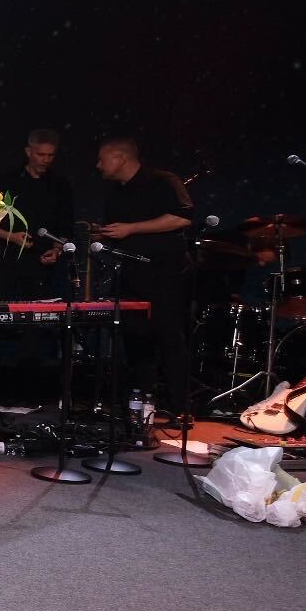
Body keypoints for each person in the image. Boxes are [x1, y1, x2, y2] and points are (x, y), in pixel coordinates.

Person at [93, 136, 193, 421]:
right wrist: (103, 234)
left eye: (102, 159)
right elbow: (121, 232)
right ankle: (142, 402)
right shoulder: (115, 192)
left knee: (170, 337)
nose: (98, 165)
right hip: (130, 274)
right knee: (135, 339)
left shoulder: (163, 181)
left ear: (120, 158)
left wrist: (131, 228)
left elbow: (182, 217)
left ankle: (181, 407)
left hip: (165, 274)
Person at [0, 129, 74, 300]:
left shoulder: (60, 186)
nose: (46, 160)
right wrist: (11, 237)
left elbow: (65, 226)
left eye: (50, 155)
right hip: (5, 265)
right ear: (28, 152)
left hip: (43, 267)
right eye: (41, 154)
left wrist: (56, 250)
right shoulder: (5, 182)